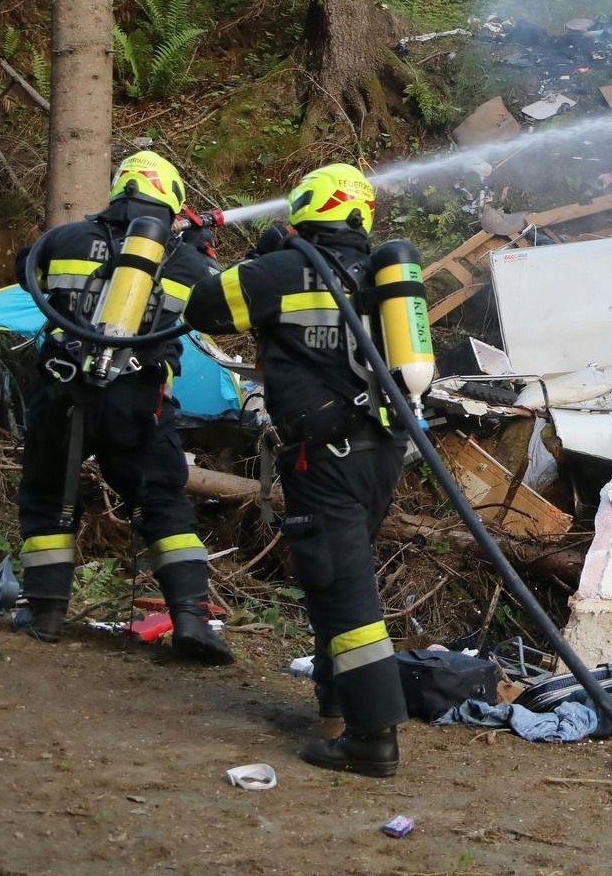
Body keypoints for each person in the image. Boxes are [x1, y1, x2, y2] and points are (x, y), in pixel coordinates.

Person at [184, 163, 408, 777]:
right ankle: (337, 707)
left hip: (324, 455)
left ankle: (373, 738)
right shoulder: (383, 277)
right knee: (341, 577)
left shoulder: (282, 270)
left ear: (305, 209)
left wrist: (260, 260)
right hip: (382, 452)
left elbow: (203, 308)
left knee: (342, 585)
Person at [11, 151, 234, 665]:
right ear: (172, 201)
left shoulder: (63, 239)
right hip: (139, 398)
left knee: (50, 496)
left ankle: (44, 613)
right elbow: (219, 312)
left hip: (62, 391)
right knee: (162, 502)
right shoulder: (188, 262)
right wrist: (196, 250)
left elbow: (27, 276)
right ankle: (191, 620)